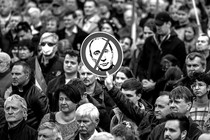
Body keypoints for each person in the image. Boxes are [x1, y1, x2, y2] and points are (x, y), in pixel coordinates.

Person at [104, 72, 171, 139]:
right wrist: (110, 87)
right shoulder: (149, 118)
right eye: (156, 106)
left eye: (161, 107)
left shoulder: (178, 124)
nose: (156, 110)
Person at [11, 61, 50, 129]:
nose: (14, 77)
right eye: (12, 74)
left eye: (17, 74)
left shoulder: (37, 94)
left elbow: (45, 120)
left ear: (27, 76)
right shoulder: (13, 93)